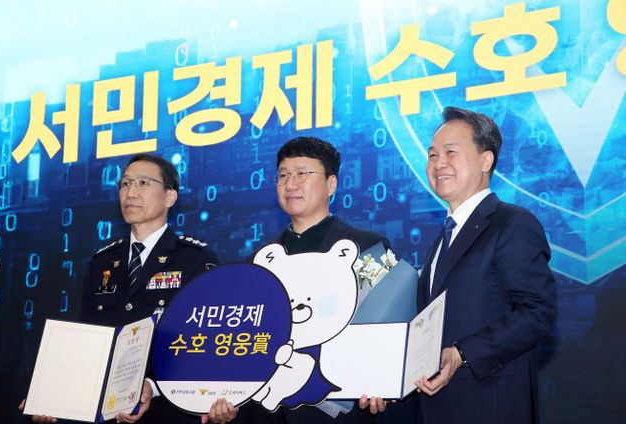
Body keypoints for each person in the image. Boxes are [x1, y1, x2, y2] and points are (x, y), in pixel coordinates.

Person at [20, 153, 236, 424]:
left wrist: (152, 387)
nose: (130, 192)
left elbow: (203, 342)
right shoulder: (102, 262)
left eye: (143, 183)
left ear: (170, 197)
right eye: (125, 184)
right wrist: (53, 394)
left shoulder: (195, 259)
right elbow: (89, 343)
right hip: (107, 414)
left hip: (167, 412)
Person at [235, 136, 392, 424]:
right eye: (283, 175)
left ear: (331, 184)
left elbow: (387, 326)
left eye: (302, 174)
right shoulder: (257, 262)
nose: (290, 184)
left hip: (340, 411)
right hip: (266, 413)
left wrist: (383, 379)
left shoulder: (368, 249)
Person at [414, 107, 557, 424]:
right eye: (433, 155)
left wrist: (461, 353)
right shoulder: (443, 237)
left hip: (490, 405)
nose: (438, 163)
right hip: (437, 407)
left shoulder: (512, 223)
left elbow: (537, 312)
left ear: (485, 160)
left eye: (451, 152)